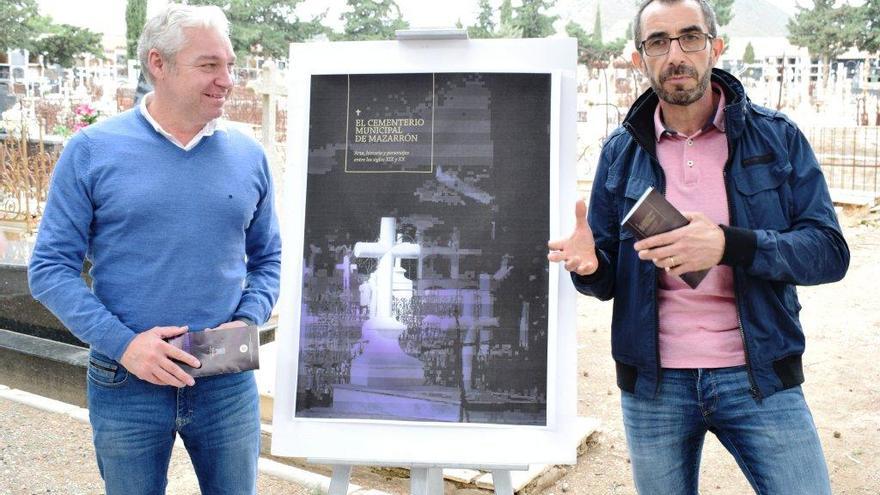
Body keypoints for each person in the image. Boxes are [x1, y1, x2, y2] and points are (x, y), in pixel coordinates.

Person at [547, 0, 849, 493]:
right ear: (638, 58)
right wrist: (588, 266)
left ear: (716, 47)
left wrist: (730, 245)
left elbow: (829, 252)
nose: (676, 54)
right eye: (658, 42)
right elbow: (604, 281)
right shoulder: (619, 155)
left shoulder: (776, 138)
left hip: (760, 377)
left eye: (690, 37)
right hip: (654, 386)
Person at [28, 4, 281, 494]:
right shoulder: (92, 150)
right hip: (127, 379)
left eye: (229, 65)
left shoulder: (249, 156)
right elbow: (50, 268)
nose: (226, 79)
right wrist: (125, 345)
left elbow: (268, 258)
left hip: (224, 377)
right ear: (158, 64)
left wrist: (248, 319)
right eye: (209, 65)